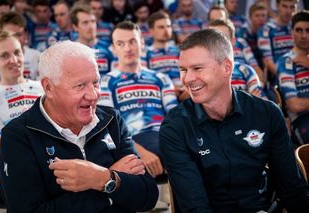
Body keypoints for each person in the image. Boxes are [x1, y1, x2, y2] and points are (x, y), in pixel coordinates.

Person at [159, 29, 309, 212]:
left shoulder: (267, 113)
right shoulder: (174, 127)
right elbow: (195, 207)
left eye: (197, 68)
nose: (188, 79)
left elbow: (292, 188)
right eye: (183, 70)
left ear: (227, 67)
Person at [0, 39, 158, 212]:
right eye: (80, 86)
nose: (93, 95)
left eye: (95, 83)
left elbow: (147, 196)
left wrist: (102, 177)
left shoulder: (112, 119)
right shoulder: (18, 135)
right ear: (49, 88)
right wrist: (110, 183)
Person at [99, 21, 178, 178]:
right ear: (114, 49)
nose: (127, 48)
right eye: (120, 44)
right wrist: (140, 152)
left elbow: (175, 117)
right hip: (130, 142)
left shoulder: (161, 78)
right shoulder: (106, 82)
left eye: (132, 42)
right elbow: (108, 128)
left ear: (142, 43)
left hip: (163, 138)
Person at [0, 30, 43, 206]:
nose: (14, 60)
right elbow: (1, 140)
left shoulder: (43, 88)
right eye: (5, 55)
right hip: (16, 176)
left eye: (17, 52)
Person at [277, 10, 309, 145]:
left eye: (308, 30)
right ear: (292, 32)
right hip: (302, 121)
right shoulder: (286, 61)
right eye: (299, 30)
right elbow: (294, 105)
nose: (304, 35)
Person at [70, 4, 113, 77]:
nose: (91, 27)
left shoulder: (109, 48)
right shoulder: (70, 51)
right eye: (85, 23)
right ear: (75, 27)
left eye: (93, 21)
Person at [0, 11, 41, 80]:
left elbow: (41, 88)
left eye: (18, 35)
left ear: (26, 35)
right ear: (0, 36)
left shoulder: (37, 56)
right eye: (9, 35)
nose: (14, 40)